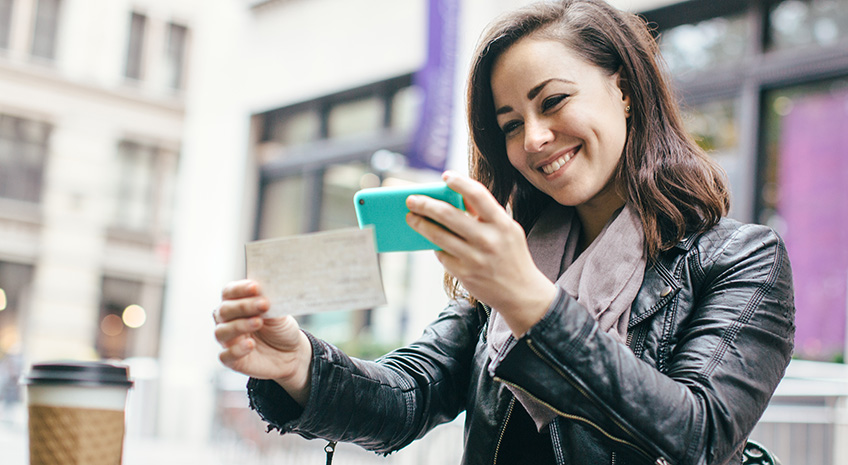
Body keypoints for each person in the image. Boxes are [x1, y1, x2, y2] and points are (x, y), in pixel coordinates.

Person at [213, 0, 795, 463]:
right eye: (511, 124)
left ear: (622, 88)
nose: (535, 139)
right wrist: (300, 367)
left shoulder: (741, 259)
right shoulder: (515, 258)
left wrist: (531, 303)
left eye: (554, 101)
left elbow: (700, 436)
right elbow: (411, 395)